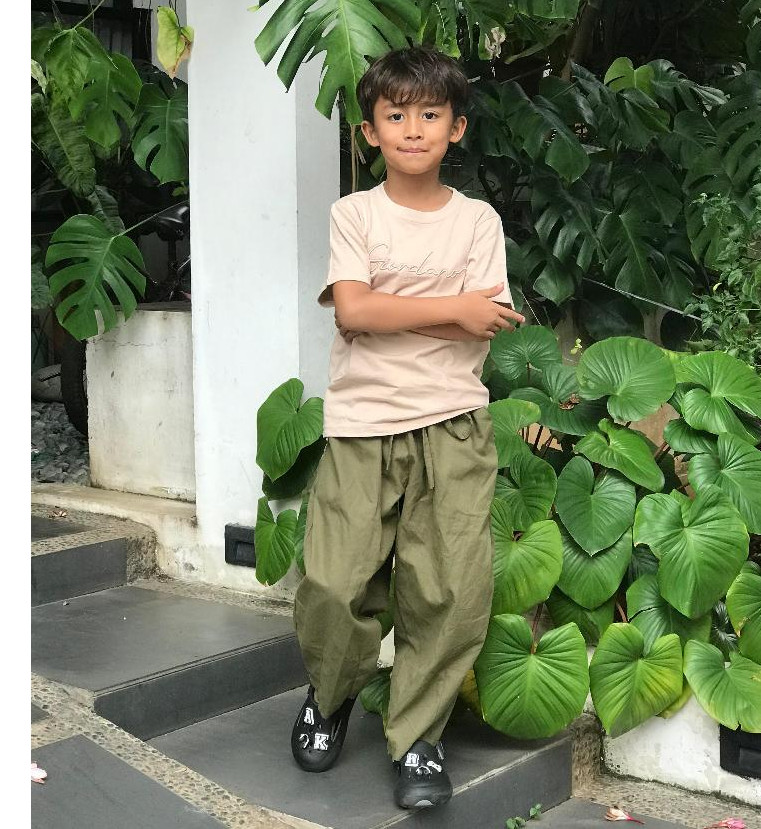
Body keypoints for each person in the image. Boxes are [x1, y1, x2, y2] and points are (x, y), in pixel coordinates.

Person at [290, 45, 525, 810]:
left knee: (448, 590)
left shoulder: (477, 221)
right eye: (396, 115)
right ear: (370, 131)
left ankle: (418, 737)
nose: (413, 129)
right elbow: (353, 310)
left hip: (452, 423)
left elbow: (484, 322)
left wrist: (400, 311)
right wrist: (450, 308)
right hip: (362, 422)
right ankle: (329, 696)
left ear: (456, 128)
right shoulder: (354, 214)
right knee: (335, 581)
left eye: (430, 114)